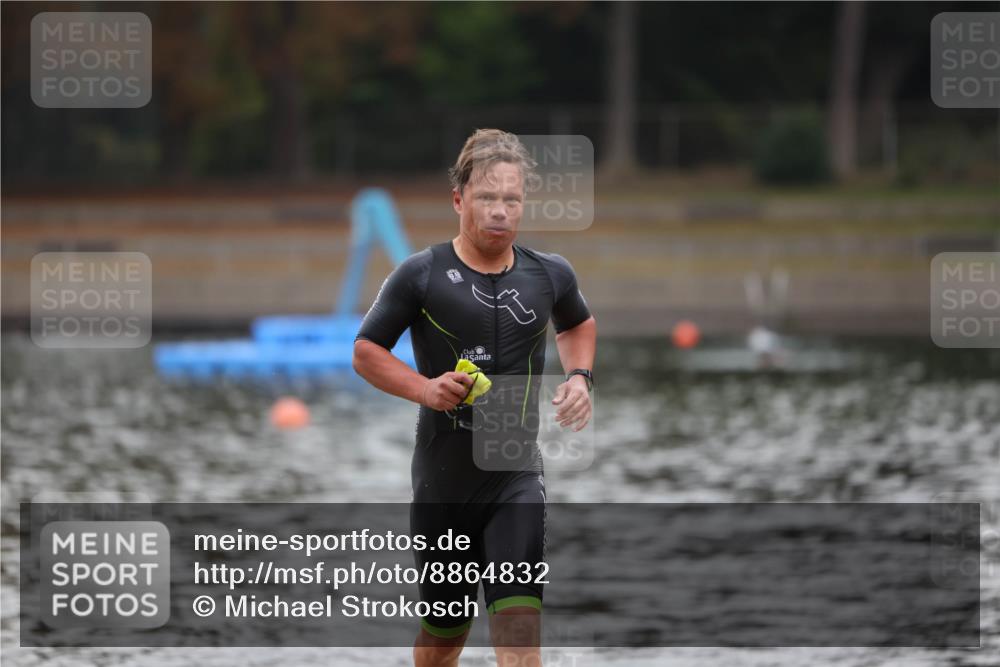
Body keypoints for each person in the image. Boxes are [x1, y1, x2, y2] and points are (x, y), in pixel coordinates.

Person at [353, 128, 597, 667]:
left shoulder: (549, 274)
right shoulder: (421, 274)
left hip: (515, 478)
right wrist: (425, 388)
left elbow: (579, 324)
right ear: (459, 199)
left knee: (518, 632)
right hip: (443, 483)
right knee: (444, 638)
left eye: (512, 199)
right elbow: (366, 350)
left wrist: (580, 377)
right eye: (488, 198)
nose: (501, 211)